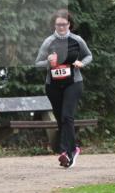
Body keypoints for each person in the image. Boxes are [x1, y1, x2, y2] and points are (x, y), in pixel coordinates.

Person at [35, 9, 93, 168]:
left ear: (69, 24)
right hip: (53, 85)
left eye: (64, 24)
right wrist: (48, 62)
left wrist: (82, 63)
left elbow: (89, 55)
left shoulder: (77, 40)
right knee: (61, 118)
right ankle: (72, 149)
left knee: (67, 116)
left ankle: (65, 152)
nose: (61, 27)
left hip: (73, 83)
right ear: (54, 25)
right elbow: (37, 63)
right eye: (58, 24)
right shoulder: (48, 42)